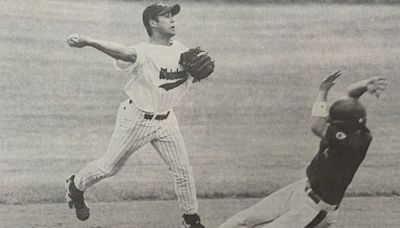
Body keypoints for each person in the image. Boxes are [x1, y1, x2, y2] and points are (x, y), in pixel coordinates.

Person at [64, 3, 213, 228]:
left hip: (166, 121)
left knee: (182, 170)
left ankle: (191, 221)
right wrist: (90, 41)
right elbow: (123, 51)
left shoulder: (181, 48)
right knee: (108, 168)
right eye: (166, 17)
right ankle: (75, 187)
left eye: (173, 16)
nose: (173, 20)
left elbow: (194, 68)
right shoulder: (142, 52)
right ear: (153, 23)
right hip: (136, 119)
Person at [218, 71, 387, 228]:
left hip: (314, 211)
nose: (328, 118)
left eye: (332, 119)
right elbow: (351, 95)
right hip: (302, 189)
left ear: (341, 127)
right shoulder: (357, 128)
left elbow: (316, 125)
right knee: (244, 218)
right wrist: (365, 85)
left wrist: (322, 92)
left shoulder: (348, 144)